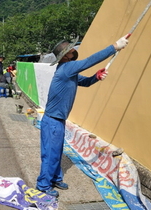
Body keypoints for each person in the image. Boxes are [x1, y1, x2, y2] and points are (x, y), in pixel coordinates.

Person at [36, 35, 129, 197]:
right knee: (50, 153)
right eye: (70, 49)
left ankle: (55, 178)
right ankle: (43, 185)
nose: (74, 50)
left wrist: (96, 77)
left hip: (58, 120)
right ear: (66, 56)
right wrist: (114, 47)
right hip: (52, 120)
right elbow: (90, 61)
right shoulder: (67, 68)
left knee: (57, 151)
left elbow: (85, 82)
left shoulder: (68, 71)